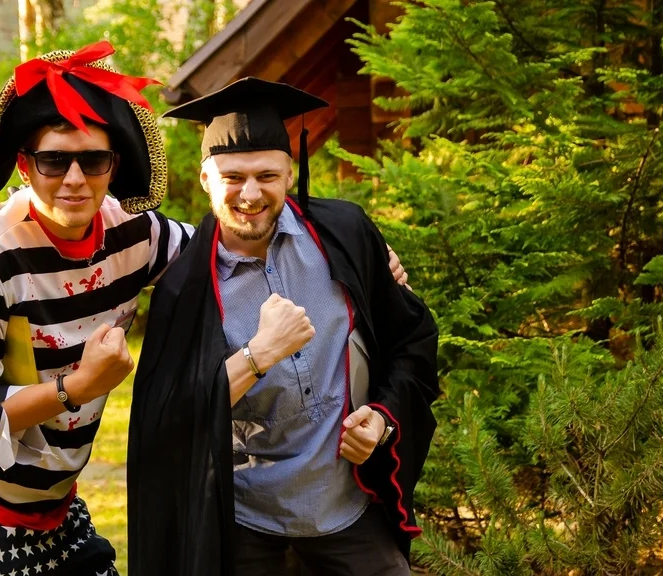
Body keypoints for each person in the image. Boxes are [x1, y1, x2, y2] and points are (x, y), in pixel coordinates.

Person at [0, 41, 191, 575]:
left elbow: (225, 254)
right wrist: (78, 386)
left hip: (54, 509)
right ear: (25, 166)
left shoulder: (138, 234)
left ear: (114, 165)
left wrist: (336, 239)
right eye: (54, 160)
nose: (75, 178)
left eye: (93, 160)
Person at [127, 77, 439, 576]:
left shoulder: (345, 235)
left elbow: (412, 342)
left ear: (290, 173)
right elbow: (168, 417)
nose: (250, 194)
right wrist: (259, 355)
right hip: (246, 522)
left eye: (267, 175)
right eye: (232, 176)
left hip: (348, 507)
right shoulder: (185, 288)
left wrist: (382, 419)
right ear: (205, 178)